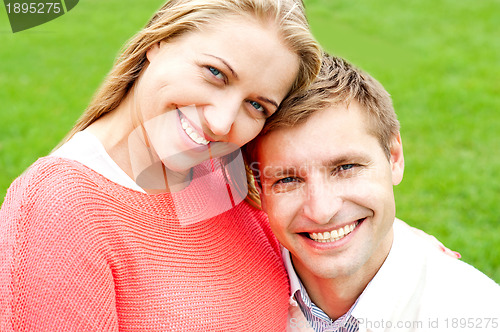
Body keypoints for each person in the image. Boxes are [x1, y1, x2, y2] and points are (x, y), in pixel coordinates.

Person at [0, 0, 323, 331]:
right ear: (159, 41)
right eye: (215, 73)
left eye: (256, 105)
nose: (221, 122)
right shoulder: (58, 209)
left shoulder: (235, 182)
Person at [247, 54, 500, 332]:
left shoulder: (479, 315)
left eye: (346, 167)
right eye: (287, 179)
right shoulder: (220, 292)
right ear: (259, 187)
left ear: (394, 157)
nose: (321, 211)